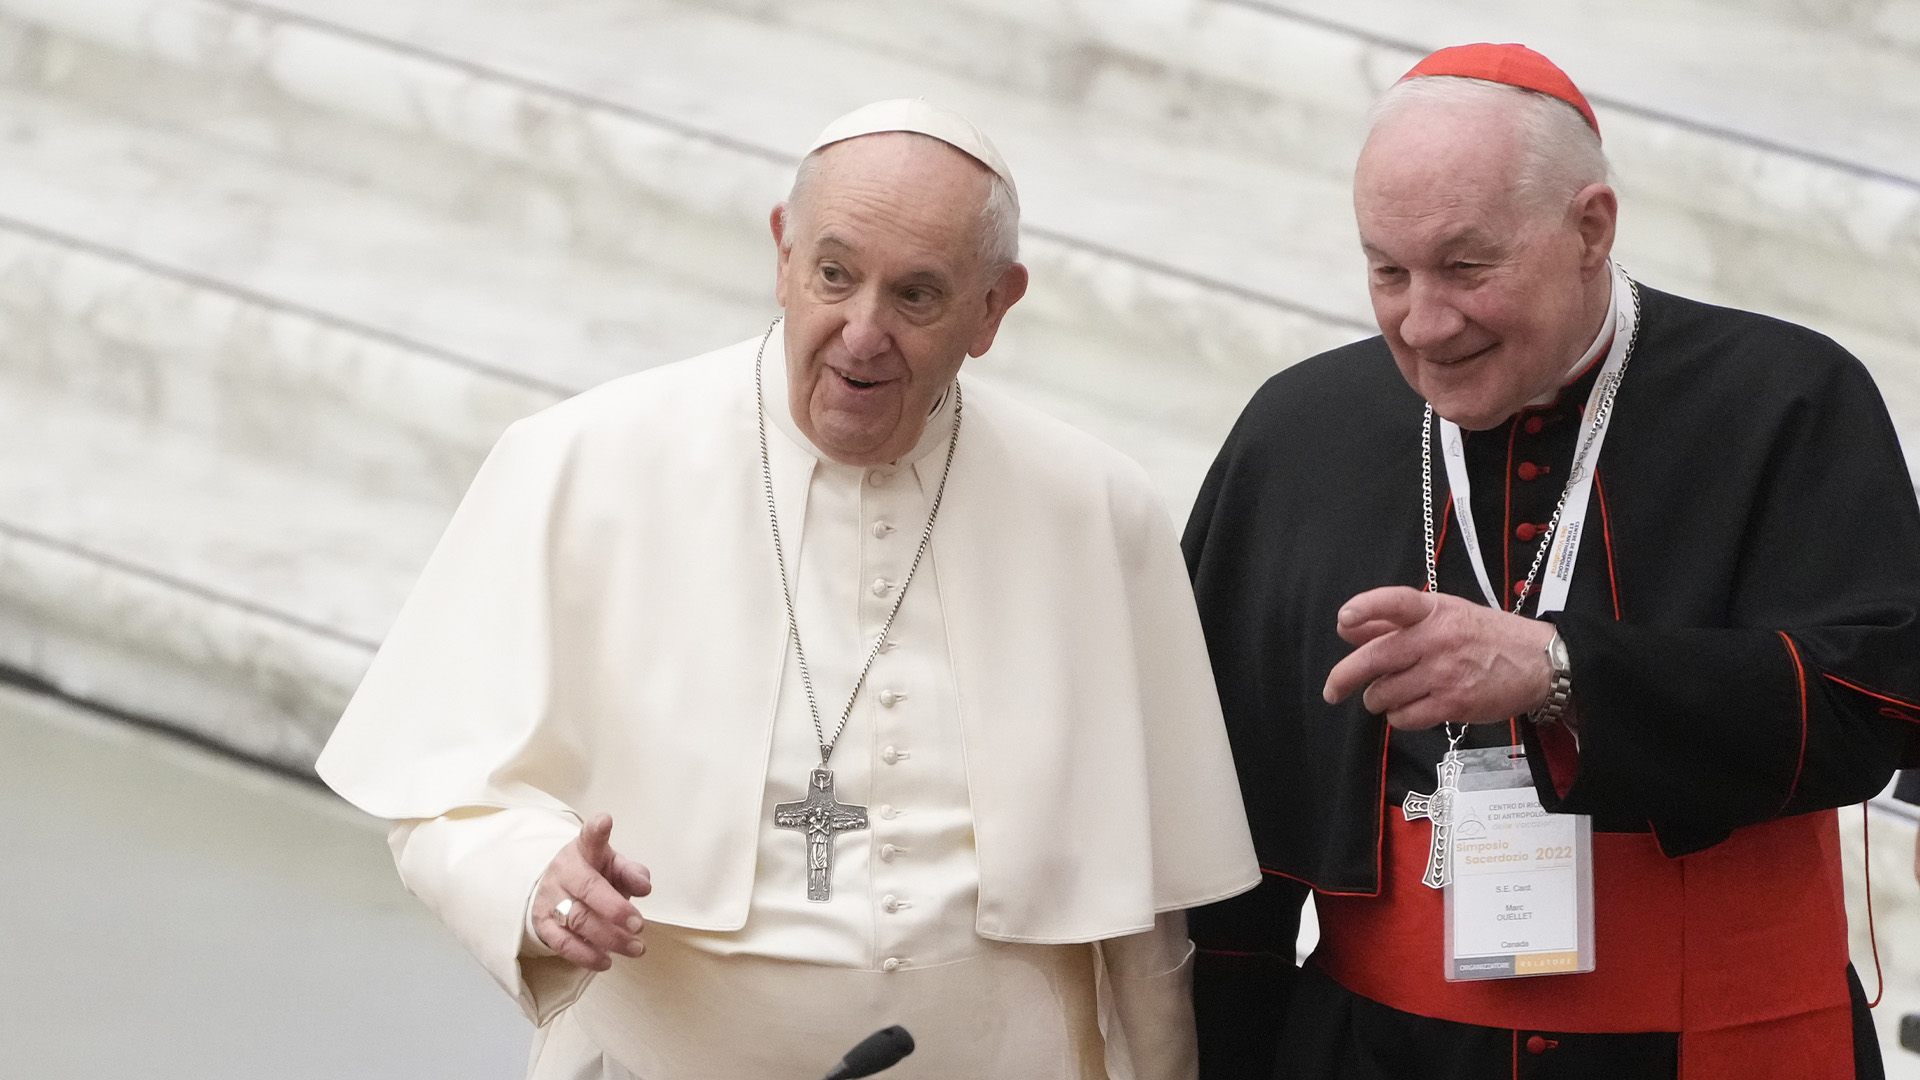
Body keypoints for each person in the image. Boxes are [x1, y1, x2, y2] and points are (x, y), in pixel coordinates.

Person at [316, 99, 1259, 1079]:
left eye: (918, 296)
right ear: (781, 252)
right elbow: (440, 802)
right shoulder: (585, 461)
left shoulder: (1094, 509)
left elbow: (1151, 916)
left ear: (994, 308)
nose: (861, 334)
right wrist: (533, 884)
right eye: (835, 275)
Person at [1182, 44, 1920, 1080]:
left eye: (1467, 266)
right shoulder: (1300, 429)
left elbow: (1884, 699)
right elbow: (1211, 797)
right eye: (1387, 271)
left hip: (1716, 1050)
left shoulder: (1786, 400)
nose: (1424, 325)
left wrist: (1562, 672)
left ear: (1590, 230)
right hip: (1375, 1053)